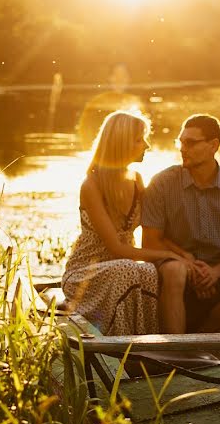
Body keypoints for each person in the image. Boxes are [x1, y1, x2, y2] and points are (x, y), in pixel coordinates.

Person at [61, 110, 185, 335]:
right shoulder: (91, 185)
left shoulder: (137, 181)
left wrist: (181, 255)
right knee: (128, 268)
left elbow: (156, 231)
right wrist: (166, 255)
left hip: (120, 270)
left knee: (147, 271)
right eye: (139, 139)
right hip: (84, 274)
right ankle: (121, 344)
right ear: (121, 143)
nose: (146, 145)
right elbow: (117, 250)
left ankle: (149, 341)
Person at [142, 113, 220, 333]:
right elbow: (151, 242)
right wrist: (188, 264)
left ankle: (203, 339)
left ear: (213, 145)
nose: (182, 148)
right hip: (171, 268)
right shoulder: (161, 183)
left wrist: (215, 273)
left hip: (217, 270)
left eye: (190, 142)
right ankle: (177, 350)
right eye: (180, 142)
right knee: (175, 271)